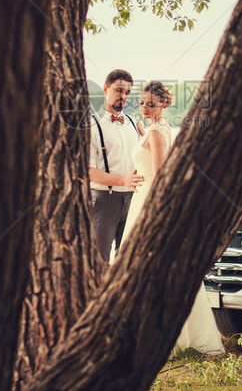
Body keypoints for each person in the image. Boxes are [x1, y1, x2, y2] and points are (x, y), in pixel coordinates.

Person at [120, 81, 224, 357]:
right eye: (141, 103)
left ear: (163, 104)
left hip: (148, 204)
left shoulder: (156, 132)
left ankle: (160, 336)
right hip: (140, 198)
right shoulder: (157, 128)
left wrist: (154, 213)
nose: (144, 108)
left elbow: (161, 175)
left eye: (150, 104)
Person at [88, 69, 144, 262]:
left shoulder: (132, 123)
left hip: (134, 200)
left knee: (128, 261)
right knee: (99, 261)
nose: (123, 96)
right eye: (119, 90)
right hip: (104, 201)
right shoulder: (92, 125)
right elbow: (89, 172)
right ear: (105, 89)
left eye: (127, 93)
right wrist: (123, 180)